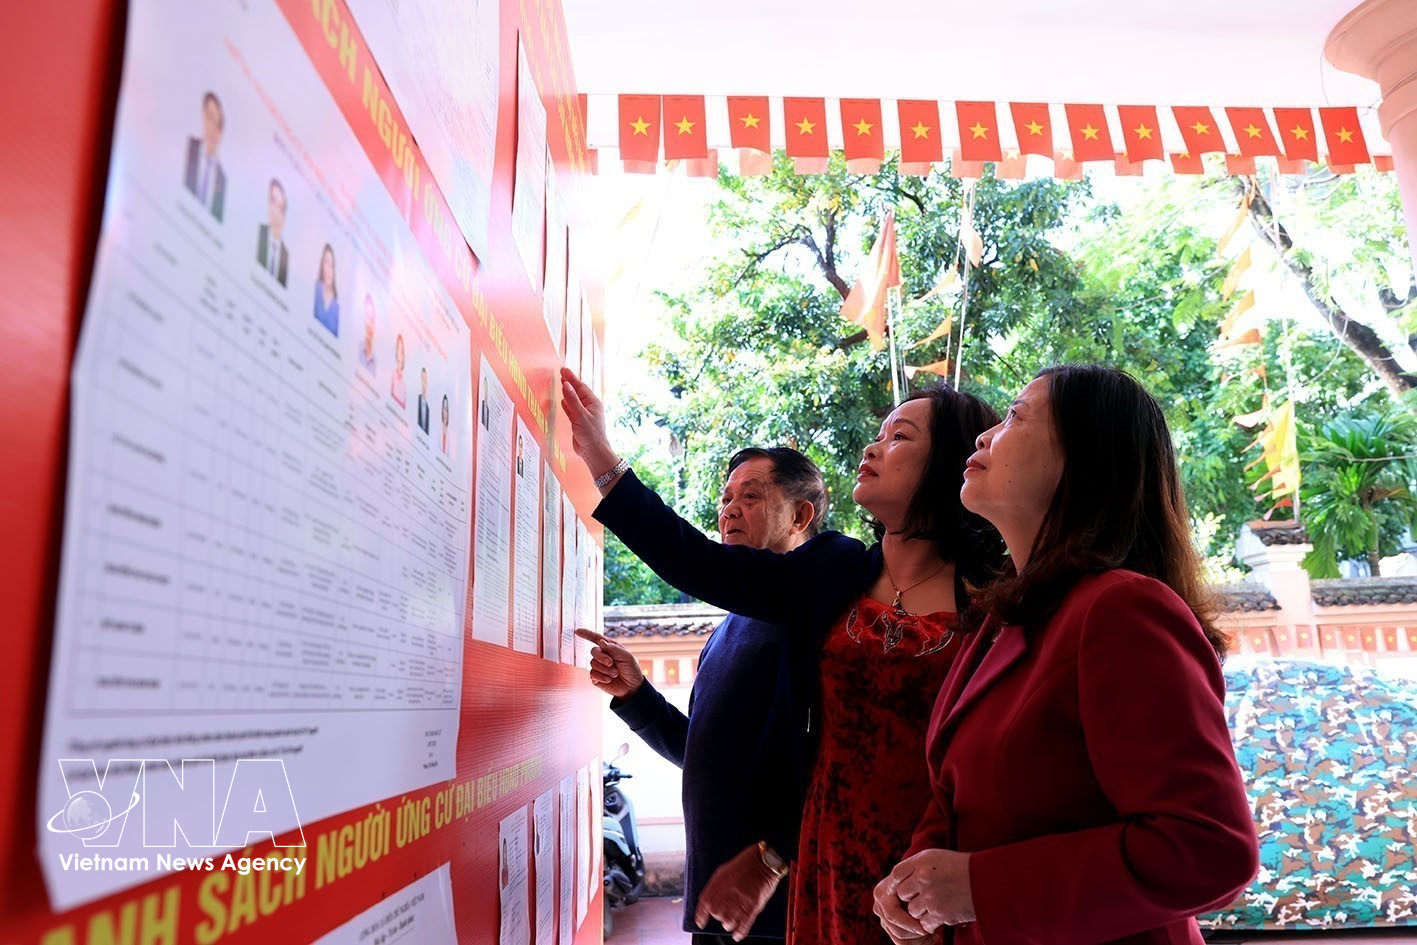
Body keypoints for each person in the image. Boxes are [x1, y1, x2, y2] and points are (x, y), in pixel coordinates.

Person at [560, 367, 1004, 945]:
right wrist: (600, 455)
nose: (874, 445)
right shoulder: (834, 570)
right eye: (880, 432)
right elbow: (698, 563)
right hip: (818, 865)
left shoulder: (995, 599)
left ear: (948, 464)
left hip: (929, 876)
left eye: (901, 438)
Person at [873, 365, 1259, 945]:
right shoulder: (1003, 619)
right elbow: (958, 799)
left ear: (1081, 454)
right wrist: (918, 882)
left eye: (1015, 417)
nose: (985, 436)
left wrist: (979, 889)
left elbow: (1208, 848)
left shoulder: (1121, 610)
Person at [576, 447, 827, 945]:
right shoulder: (728, 627)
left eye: (750, 496)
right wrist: (638, 695)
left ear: (801, 515)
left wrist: (774, 857)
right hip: (717, 899)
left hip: (780, 903)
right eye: (725, 497)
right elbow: (705, 753)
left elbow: (824, 759)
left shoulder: (817, 615)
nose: (729, 509)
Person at [183, 91, 226, 221]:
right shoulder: (189, 148)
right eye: (210, 118)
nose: (213, 129)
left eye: (218, 125)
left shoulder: (222, 178)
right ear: (203, 117)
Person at [256, 178, 289, 286]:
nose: (275, 211)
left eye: (280, 207)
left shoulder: (285, 255)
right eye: (273, 202)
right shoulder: (259, 234)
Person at [313, 244, 339, 336]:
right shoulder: (315, 290)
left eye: (332, 265)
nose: (329, 269)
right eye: (326, 263)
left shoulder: (337, 307)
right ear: (322, 264)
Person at [359, 296, 378, 376]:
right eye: (367, 317)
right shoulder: (357, 350)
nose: (369, 324)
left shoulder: (375, 361)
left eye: (371, 319)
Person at [390, 334, 407, 407]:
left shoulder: (405, 382)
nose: (400, 355)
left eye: (401, 351)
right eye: (398, 350)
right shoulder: (392, 376)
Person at [417, 368, 431, 434]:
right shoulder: (417, 401)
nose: (424, 384)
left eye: (425, 381)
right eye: (422, 380)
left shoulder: (428, 409)